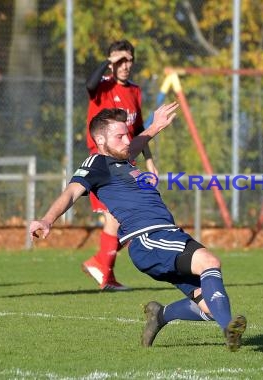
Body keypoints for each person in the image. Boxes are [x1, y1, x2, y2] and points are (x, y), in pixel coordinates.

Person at [29, 103, 247, 351]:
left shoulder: (123, 161)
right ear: (100, 140)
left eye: (127, 135)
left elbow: (135, 145)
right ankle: (229, 329)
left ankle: (161, 315)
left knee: (209, 307)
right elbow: (70, 193)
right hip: (149, 238)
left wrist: (154, 126)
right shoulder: (97, 163)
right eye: (119, 136)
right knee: (209, 262)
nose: (126, 140)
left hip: (165, 236)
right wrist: (47, 220)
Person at [82, 39, 158, 291]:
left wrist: (149, 161)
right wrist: (108, 62)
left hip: (126, 161)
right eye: (119, 60)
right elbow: (89, 84)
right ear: (111, 62)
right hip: (103, 162)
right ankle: (101, 267)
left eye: (129, 60)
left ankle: (104, 269)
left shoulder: (134, 91)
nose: (125, 65)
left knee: (130, 217)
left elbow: (138, 130)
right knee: (117, 216)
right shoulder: (102, 86)